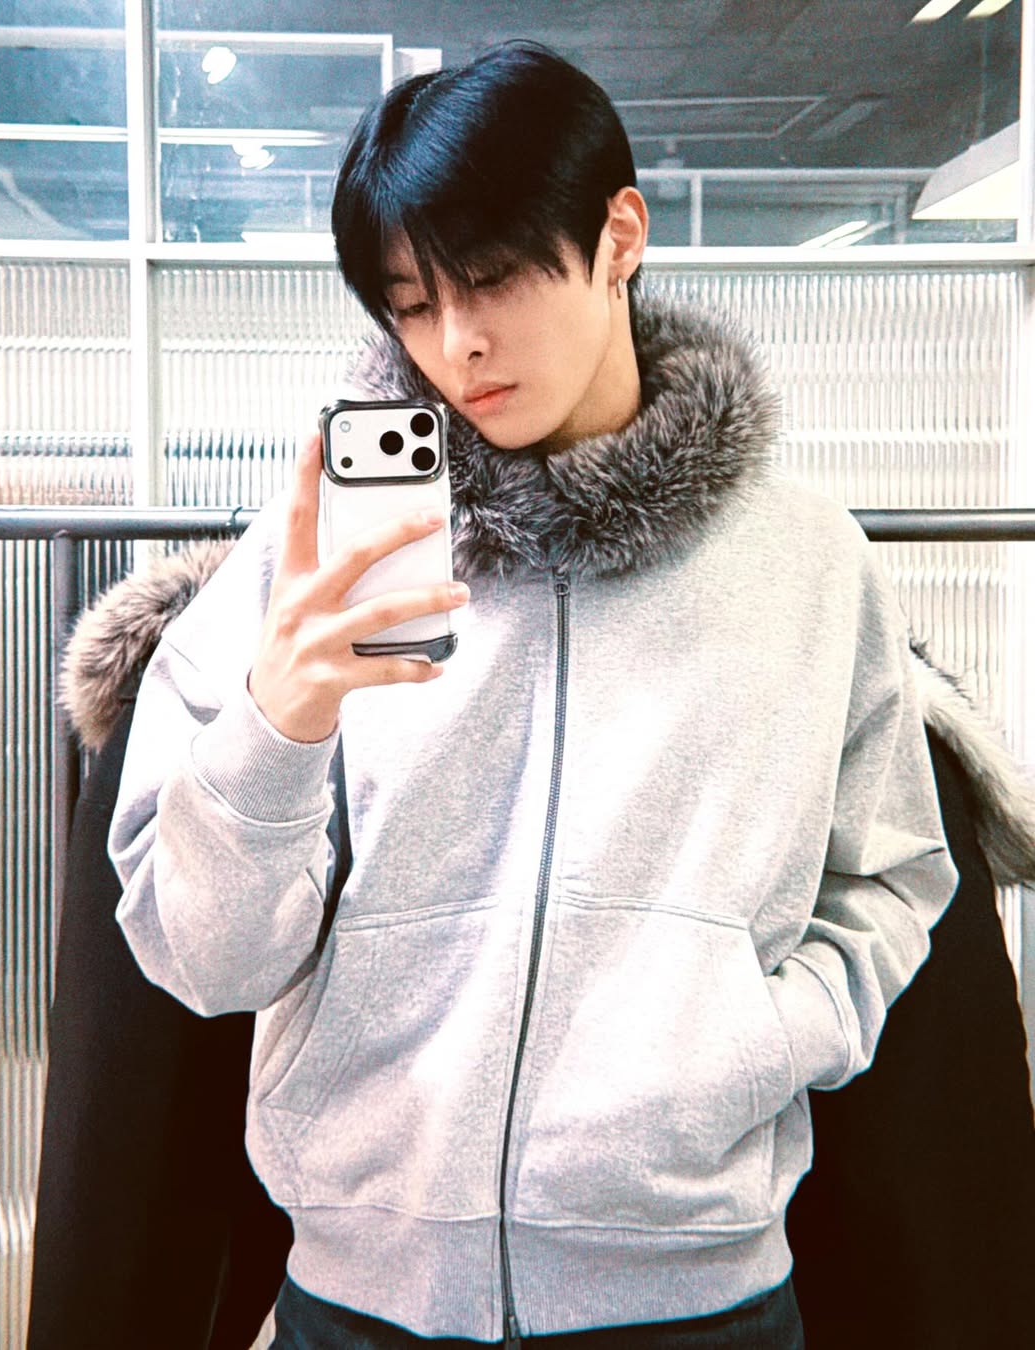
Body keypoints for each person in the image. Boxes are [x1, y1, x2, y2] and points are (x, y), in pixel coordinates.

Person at [109, 41, 958, 1348]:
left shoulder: (806, 562)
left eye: (495, 277)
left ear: (620, 236)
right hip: (358, 1299)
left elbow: (890, 876)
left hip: (699, 1301)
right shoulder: (318, 558)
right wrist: (274, 727)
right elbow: (202, 959)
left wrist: (755, 1039)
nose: (457, 343)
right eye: (411, 304)